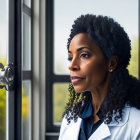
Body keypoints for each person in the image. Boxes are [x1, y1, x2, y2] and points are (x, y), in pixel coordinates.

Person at [58, 14, 140, 140]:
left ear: (111, 63)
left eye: (84, 55)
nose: (72, 66)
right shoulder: (70, 119)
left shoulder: (136, 123)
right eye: (70, 57)